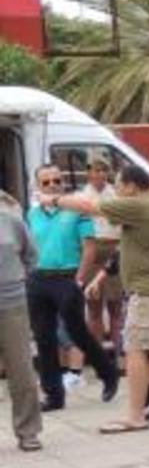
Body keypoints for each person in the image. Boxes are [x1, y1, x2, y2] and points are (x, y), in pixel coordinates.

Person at [57, 165, 149, 434]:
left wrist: (53, 199)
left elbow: (89, 206)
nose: (116, 190)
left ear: (132, 187)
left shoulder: (139, 206)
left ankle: (135, 415)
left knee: (135, 349)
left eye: (119, 185)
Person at [25, 165, 120, 412]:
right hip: (38, 278)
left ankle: (108, 373)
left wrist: (79, 279)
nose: (53, 184)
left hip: (67, 277)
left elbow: (89, 245)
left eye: (57, 180)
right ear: (37, 186)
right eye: (46, 182)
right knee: (44, 338)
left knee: (77, 332)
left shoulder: (76, 208)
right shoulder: (33, 213)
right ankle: (54, 394)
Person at [0, 198, 42, 450]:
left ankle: (28, 431)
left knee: (21, 370)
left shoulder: (11, 220)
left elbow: (31, 256)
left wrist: (18, 280)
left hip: (11, 303)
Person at [76, 157, 126, 357]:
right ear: (88, 173)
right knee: (94, 308)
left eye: (103, 170)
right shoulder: (81, 196)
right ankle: (96, 354)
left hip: (114, 248)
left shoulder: (116, 194)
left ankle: (118, 353)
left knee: (116, 306)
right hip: (91, 250)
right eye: (95, 171)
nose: (99, 175)